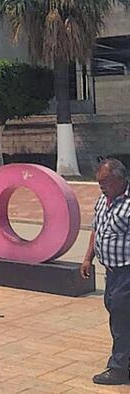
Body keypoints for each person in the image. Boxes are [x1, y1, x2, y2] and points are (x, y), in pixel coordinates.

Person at [82, 157, 130, 385]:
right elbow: (96, 229)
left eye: (106, 182)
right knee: (116, 313)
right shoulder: (103, 200)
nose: (101, 187)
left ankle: (118, 369)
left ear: (120, 180)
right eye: (99, 182)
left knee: (121, 319)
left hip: (127, 272)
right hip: (110, 272)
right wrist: (87, 258)